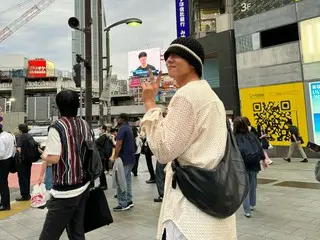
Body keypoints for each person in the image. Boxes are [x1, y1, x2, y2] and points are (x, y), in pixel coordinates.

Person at [140, 37, 236, 239]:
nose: (169, 60)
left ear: (193, 62)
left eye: (177, 55)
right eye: (167, 57)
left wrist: (150, 104)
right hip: (212, 198)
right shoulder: (211, 96)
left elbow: (164, 150)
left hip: (188, 211)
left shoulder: (186, 95)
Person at [39, 90, 92, 240]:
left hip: (64, 191)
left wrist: (43, 154)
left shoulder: (57, 127)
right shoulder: (84, 124)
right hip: (83, 186)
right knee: (77, 233)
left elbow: (54, 158)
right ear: (77, 106)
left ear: (58, 106)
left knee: (48, 236)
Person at [233, 117, 267, 218]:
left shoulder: (235, 137)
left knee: (244, 187)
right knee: (253, 184)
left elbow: (233, 152)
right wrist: (263, 159)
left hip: (242, 164)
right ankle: (252, 204)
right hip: (254, 163)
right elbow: (259, 147)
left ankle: (247, 210)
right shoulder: (252, 135)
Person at [112, 113, 136, 211]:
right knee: (127, 179)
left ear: (122, 119)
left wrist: (115, 156)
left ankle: (123, 203)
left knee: (121, 180)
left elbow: (118, 144)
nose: (117, 120)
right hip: (131, 158)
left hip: (124, 158)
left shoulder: (122, 129)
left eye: (118, 118)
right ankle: (129, 200)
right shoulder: (128, 128)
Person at [16, 123, 36, 201]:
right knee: (27, 176)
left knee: (22, 178)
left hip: (22, 160)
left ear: (20, 129)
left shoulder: (21, 137)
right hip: (29, 160)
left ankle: (24, 195)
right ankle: (27, 194)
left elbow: (19, 149)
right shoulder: (30, 136)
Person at [0, 124, 16, 211]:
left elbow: (1, 154)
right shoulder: (9, 135)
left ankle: (5, 205)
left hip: (2, 161)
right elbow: (14, 147)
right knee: (3, 183)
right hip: (9, 159)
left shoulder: (1, 139)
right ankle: (4, 202)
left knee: (2, 184)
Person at [95, 125, 111, 190]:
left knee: (101, 171)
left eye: (100, 129)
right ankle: (102, 183)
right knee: (101, 170)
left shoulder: (103, 136)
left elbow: (98, 143)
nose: (99, 130)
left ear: (104, 130)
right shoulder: (104, 136)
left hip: (101, 155)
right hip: (101, 155)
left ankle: (104, 184)